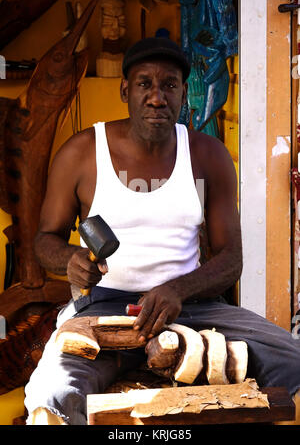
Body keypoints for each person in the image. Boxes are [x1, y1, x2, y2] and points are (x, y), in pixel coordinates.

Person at [24, 36, 300, 425]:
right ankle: (118, 361)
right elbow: (44, 240)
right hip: (105, 308)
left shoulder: (208, 154)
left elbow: (230, 259)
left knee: (291, 362)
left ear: (184, 93)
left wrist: (178, 290)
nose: (157, 97)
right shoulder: (82, 153)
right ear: (125, 90)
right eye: (144, 84)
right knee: (53, 395)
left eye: (169, 85)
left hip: (196, 307)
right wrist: (70, 259)